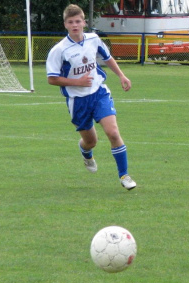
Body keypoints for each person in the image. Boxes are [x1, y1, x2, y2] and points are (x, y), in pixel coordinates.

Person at [46, 4, 136, 190]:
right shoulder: (59, 50)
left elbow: (108, 57)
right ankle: (86, 153)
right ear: (65, 24)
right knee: (90, 141)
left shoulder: (93, 39)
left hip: (99, 93)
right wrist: (77, 82)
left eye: (78, 21)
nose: (75, 25)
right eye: (71, 22)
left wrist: (122, 75)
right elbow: (52, 79)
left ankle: (124, 175)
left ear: (84, 22)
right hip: (77, 101)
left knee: (112, 132)